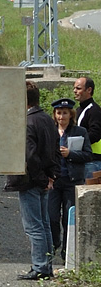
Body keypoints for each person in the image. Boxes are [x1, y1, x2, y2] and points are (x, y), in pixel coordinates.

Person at [5, 81, 59, 280]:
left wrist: (41, 179)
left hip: (31, 181)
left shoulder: (26, 123)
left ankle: (40, 267)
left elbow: (29, 156)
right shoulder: (46, 119)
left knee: (34, 226)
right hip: (45, 180)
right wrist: (51, 176)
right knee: (44, 225)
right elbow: (55, 149)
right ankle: (46, 265)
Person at [47, 97, 92, 263]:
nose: (61, 117)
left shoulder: (80, 132)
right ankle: (54, 244)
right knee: (51, 216)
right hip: (54, 180)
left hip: (71, 180)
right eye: (58, 113)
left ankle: (67, 253)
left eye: (64, 113)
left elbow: (87, 154)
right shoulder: (50, 131)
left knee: (68, 217)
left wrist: (70, 154)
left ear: (70, 114)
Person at [73, 77, 101, 178]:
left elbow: (95, 134)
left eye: (78, 88)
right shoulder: (79, 109)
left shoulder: (94, 110)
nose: (75, 91)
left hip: (93, 160)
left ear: (89, 90)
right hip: (83, 159)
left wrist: (75, 143)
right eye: (74, 88)